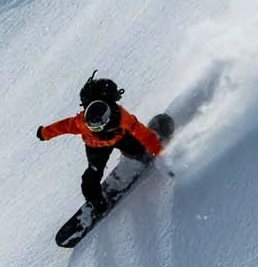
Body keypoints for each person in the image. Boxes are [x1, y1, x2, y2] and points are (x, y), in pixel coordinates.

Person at [36, 74, 170, 211]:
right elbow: (61, 127)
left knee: (140, 152)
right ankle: (97, 202)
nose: (92, 128)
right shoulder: (81, 122)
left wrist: (160, 153)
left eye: (96, 127)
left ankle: (145, 150)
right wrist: (44, 133)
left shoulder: (122, 118)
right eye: (90, 126)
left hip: (120, 138)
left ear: (106, 120)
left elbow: (143, 134)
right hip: (95, 148)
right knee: (91, 177)